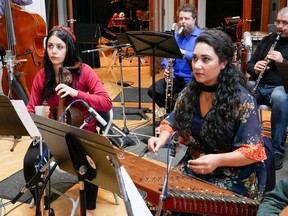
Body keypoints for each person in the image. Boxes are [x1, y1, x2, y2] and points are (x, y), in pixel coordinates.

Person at [148, 29, 268, 215]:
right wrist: (162, 138)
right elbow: (171, 121)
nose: (197, 65)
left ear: (223, 63)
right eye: (195, 58)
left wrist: (217, 160)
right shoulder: (190, 93)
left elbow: (253, 152)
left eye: (205, 59)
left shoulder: (242, 100)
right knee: (159, 203)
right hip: (196, 165)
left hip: (233, 174)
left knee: (201, 209)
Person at [23, 25, 112, 216]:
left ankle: (90, 211)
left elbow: (106, 102)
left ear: (69, 48)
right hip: (55, 132)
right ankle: (38, 198)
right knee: (31, 161)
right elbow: (31, 108)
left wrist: (76, 92)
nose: (54, 51)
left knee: (89, 163)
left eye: (60, 47)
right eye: (50, 46)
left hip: (83, 132)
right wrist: (32, 127)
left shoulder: (85, 71)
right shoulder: (42, 76)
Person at [246, 7, 288, 170]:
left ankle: (277, 150)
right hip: (259, 84)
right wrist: (255, 67)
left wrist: (282, 61)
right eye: (278, 22)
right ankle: (248, 139)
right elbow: (250, 65)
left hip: (281, 88)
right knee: (242, 90)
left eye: (285, 23)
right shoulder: (268, 40)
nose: (279, 26)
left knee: (280, 97)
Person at [147, 4, 203, 115]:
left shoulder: (201, 36)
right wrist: (166, 67)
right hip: (176, 77)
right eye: (181, 18)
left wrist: (185, 53)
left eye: (187, 19)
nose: (183, 22)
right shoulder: (177, 36)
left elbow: (202, 57)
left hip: (192, 80)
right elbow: (168, 55)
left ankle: (180, 115)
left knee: (184, 99)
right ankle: (173, 114)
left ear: (194, 19)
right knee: (153, 90)